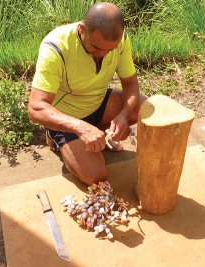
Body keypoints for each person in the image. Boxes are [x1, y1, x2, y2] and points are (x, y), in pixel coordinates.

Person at [28, 2, 147, 185]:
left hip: (98, 102)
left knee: (144, 108)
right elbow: (36, 108)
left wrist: (123, 116)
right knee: (95, 176)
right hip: (66, 117)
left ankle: (100, 135)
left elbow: (130, 84)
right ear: (82, 29)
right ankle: (57, 136)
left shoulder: (121, 39)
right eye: (97, 48)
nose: (104, 54)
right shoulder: (56, 47)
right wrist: (81, 128)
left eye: (110, 50)